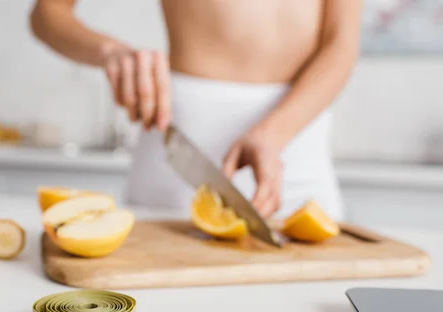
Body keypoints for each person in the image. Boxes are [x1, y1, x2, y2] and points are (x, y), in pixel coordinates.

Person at [29, 0, 362, 220]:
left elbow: (341, 44)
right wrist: (110, 52)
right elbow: (47, 14)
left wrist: (272, 134)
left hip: (297, 153)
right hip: (182, 156)